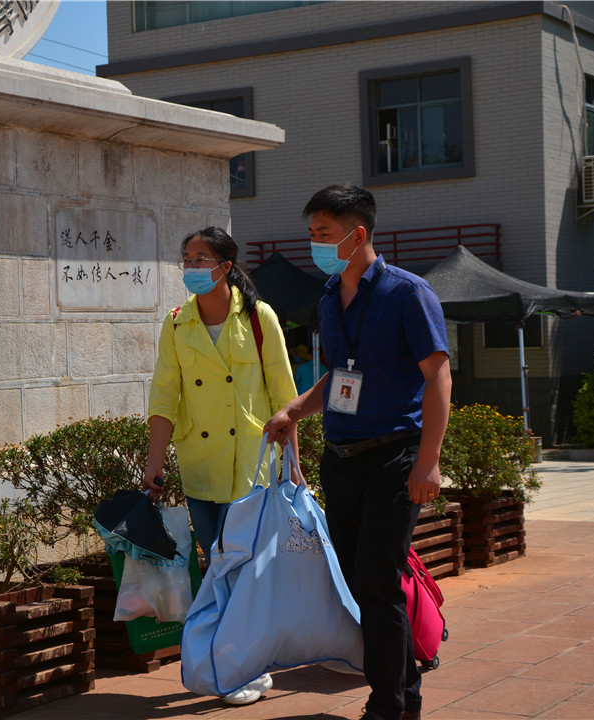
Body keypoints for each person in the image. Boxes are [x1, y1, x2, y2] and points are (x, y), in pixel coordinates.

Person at [264, 184, 451, 720]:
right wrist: (296, 409)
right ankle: (405, 691)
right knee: (358, 580)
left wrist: (428, 461)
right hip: (341, 459)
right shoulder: (329, 298)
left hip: (395, 457)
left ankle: (388, 704)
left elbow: (438, 376)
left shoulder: (407, 293)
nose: (315, 244)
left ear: (357, 233)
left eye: (324, 233)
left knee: (376, 579)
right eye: (312, 233)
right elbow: (340, 375)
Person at [141, 226, 299, 707]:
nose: (191, 267)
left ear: (225, 266)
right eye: (187, 258)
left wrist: (294, 465)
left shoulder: (258, 318)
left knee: (243, 568)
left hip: (251, 464)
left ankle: (244, 665)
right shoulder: (176, 324)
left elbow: (285, 396)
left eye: (201, 258)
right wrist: (153, 462)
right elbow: (164, 396)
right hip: (200, 463)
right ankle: (237, 660)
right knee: (216, 567)